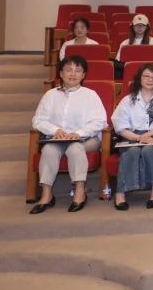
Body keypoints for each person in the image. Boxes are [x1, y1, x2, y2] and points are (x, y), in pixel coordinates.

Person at [29, 56, 107, 214]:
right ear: (61, 73)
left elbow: (100, 121)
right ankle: (46, 195)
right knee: (48, 150)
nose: (73, 74)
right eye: (68, 70)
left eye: (78, 71)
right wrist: (55, 130)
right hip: (57, 139)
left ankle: (79, 192)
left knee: (74, 148)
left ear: (83, 75)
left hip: (87, 139)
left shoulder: (90, 95)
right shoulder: (50, 95)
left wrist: (78, 133)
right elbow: (38, 120)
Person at [110, 62, 153, 210]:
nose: (150, 79)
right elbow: (119, 125)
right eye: (146, 76)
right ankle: (120, 193)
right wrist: (137, 138)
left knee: (149, 150)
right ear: (139, 78)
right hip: (130, 137)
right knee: (133, 151)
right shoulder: (128, 100)